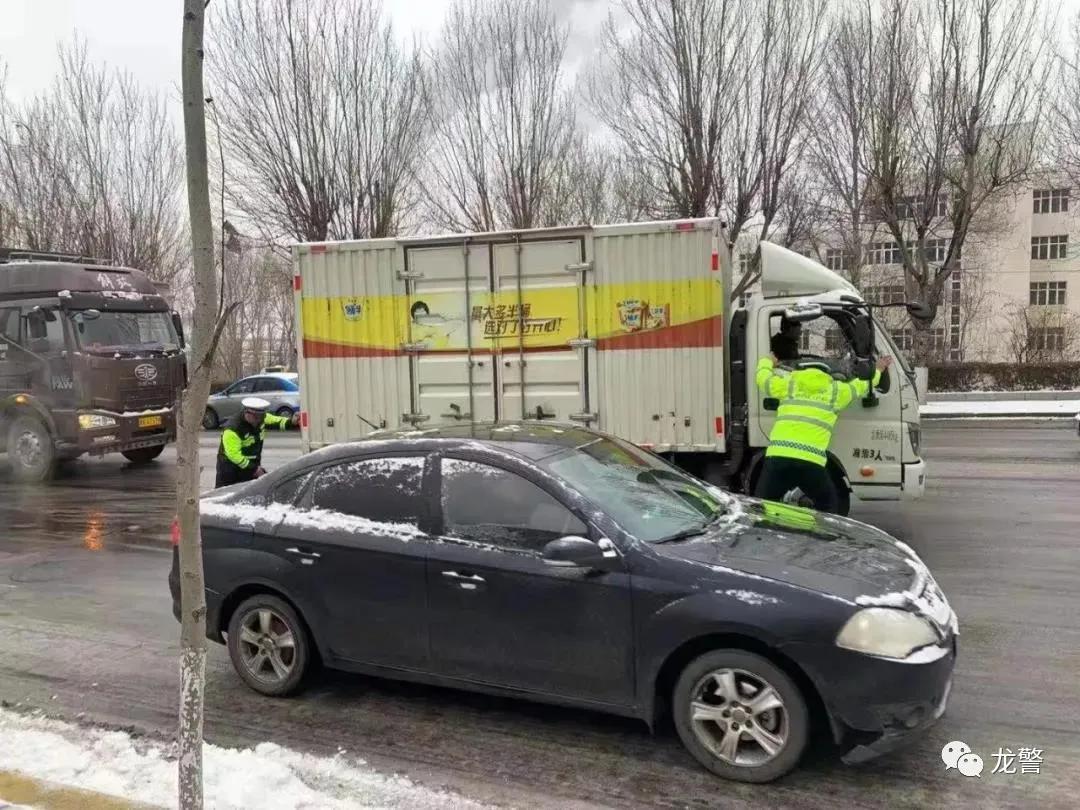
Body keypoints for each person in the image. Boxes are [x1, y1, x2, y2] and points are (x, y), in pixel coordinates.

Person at [754, 346, 892, 513]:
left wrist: (768, 361)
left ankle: (768, 534)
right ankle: (818, 537)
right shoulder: (835, 391)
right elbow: (863, 385)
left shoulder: (789, 385)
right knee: (829, 508)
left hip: (778, 458)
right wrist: (878, 369)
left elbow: (762, 378)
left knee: (761, 507)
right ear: (827, 375)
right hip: (810, 461)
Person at [215, 397, 298, 488]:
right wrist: (254, 469)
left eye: (261, 416)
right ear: (247, 413)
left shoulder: (260, 418)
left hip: (250, 466)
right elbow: (233, 455)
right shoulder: (233, 429)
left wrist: (292, 422)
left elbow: (277, 421)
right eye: (256, 417)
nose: (259, 421)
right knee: (226, 496)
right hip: (230, 470)